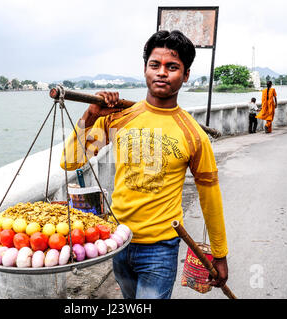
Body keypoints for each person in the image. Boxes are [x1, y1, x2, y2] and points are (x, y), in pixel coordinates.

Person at [60, 30, 228, 299]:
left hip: (160, 248)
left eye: (172, 67)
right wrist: (91, 115)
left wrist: (220, 254)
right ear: (145, 69)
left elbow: (210, 196)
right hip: (118, 241)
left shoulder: (193, 134)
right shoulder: (119, 118)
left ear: (185, 75)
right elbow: (70, 161)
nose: (162, 72)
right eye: (155, 65)